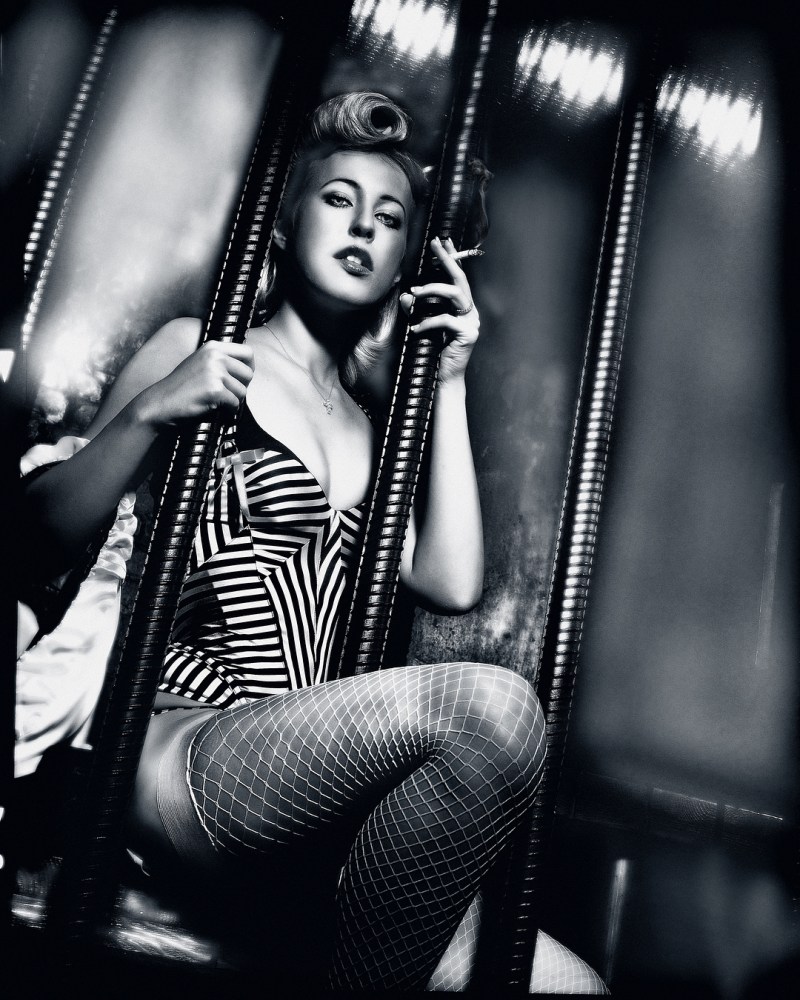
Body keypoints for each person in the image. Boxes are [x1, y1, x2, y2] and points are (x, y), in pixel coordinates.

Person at [21, 92, 606, 992]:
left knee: (576, 989)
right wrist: (150, 412)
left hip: (315, 790)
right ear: (286, 223)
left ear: (406, 260)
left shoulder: (378, 427)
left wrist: (449, 379)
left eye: (391, 218)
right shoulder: (200, 348)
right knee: (495, 709)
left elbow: (452, 582)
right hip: (184, 753)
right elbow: (37, 537)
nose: (364, 226)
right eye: (338, 199)